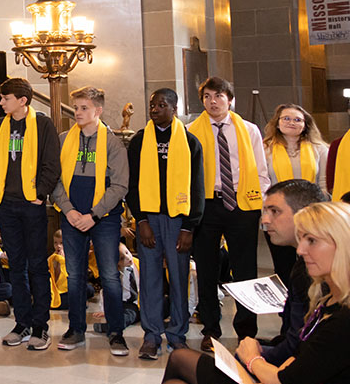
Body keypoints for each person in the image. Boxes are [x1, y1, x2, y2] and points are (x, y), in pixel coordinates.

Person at [152, 201, 350, 384]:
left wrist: (253, 360)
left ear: (342, 245)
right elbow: (302, 358)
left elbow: (288, 382)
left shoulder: (344, 319)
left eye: (312, 241)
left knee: (180, 361)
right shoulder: (331, 301)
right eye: (302, 240)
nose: (300, 250)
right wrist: (271, 381)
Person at [188, 76, 269, 350]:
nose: (213, 102)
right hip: (207, 204)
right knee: (206, 269)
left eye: (219, 96)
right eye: (207, 97)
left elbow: (261, 171)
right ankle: (210, 328)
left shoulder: (249, 130)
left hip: (242, 204)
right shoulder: (191, 131)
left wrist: (262, 204)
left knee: (245, 270)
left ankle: (247, 331)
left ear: (230, 100)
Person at [51, 85, 131, 355]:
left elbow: (120, 185)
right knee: (75, 275)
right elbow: (55, 180)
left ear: (98, 110)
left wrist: (94, 214)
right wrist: (69, 210)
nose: (77, 112)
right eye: (76, 108)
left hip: (104, 218)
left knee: (109, 275)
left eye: (84, 108)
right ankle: (76, 329)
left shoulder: (112, 142)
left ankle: (116, 332)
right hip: (72, 215)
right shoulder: (64, 139)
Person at [126, 88, 205, 360]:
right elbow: (132, 184)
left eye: (161, 105)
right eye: (152, 104)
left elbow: (197, 187)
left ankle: (177, 335)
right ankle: (151, 335)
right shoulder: (139, 141)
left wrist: (188, 226)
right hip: (149, 219)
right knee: (150, 279)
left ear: (174, 108)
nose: (155, 109)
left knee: (179, 278)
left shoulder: (190, 142)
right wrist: (141, 220)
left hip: (177, 220)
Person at [0, 76, 61, 351]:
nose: (0, 102)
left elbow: (52, 164)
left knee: (37, 266)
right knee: (15, 266)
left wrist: (39, 194)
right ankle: (22, 323)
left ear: (23, 100)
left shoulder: (43, 124)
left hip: (31, 204)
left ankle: (41, 325)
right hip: (6, 204)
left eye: (5, 98)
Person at [239, 180, 329, 370]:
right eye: (265, 211)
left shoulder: (313, 270)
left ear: (304, 214)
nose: (265, 220)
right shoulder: (304, 263)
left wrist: (253, 358)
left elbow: (298, 346)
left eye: (275, 211)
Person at [263, 104, 328, 279]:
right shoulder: (265, 149)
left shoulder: (320, 149)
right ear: (277, 123)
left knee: (312, 265)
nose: (292, 122)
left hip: (311, 215)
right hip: (277, 216)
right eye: (286, 118)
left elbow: (323, 184)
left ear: (305, 124)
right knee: (283, 266)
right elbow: (262, 183)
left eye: (297, 120)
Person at [49, 230, 68, 310]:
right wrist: (58, 264)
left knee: (88, 290)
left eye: (61, 243)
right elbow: (55, 281)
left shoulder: (71, 256)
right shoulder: (52, 258)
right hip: (57, 291)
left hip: (67, 289)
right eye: (55, 243)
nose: (58, 246)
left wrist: (64, 261)